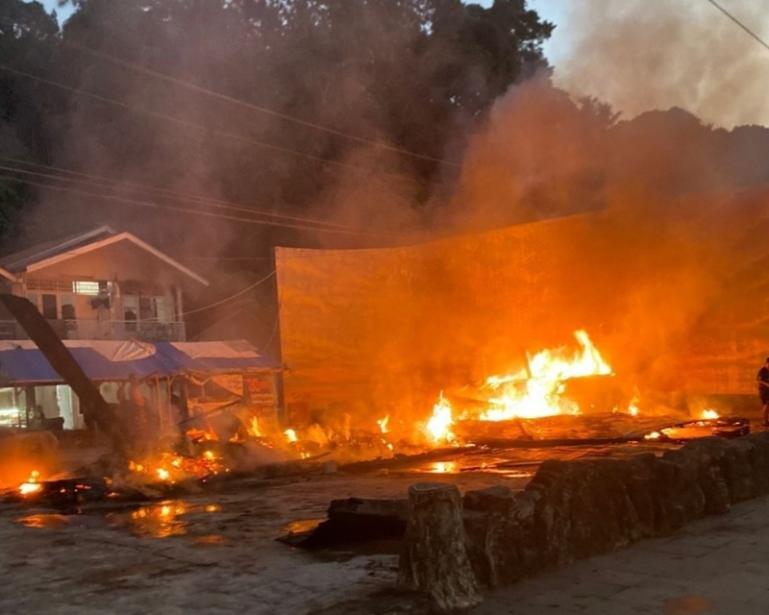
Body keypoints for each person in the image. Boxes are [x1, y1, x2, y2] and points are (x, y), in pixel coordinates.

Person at [757, 357, 769, 427]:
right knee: (766, 405)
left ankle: (766, 420)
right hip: (764, 391)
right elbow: (759, 380)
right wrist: (767, 384)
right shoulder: (763, 370)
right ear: (767, 363)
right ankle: (764, 421)